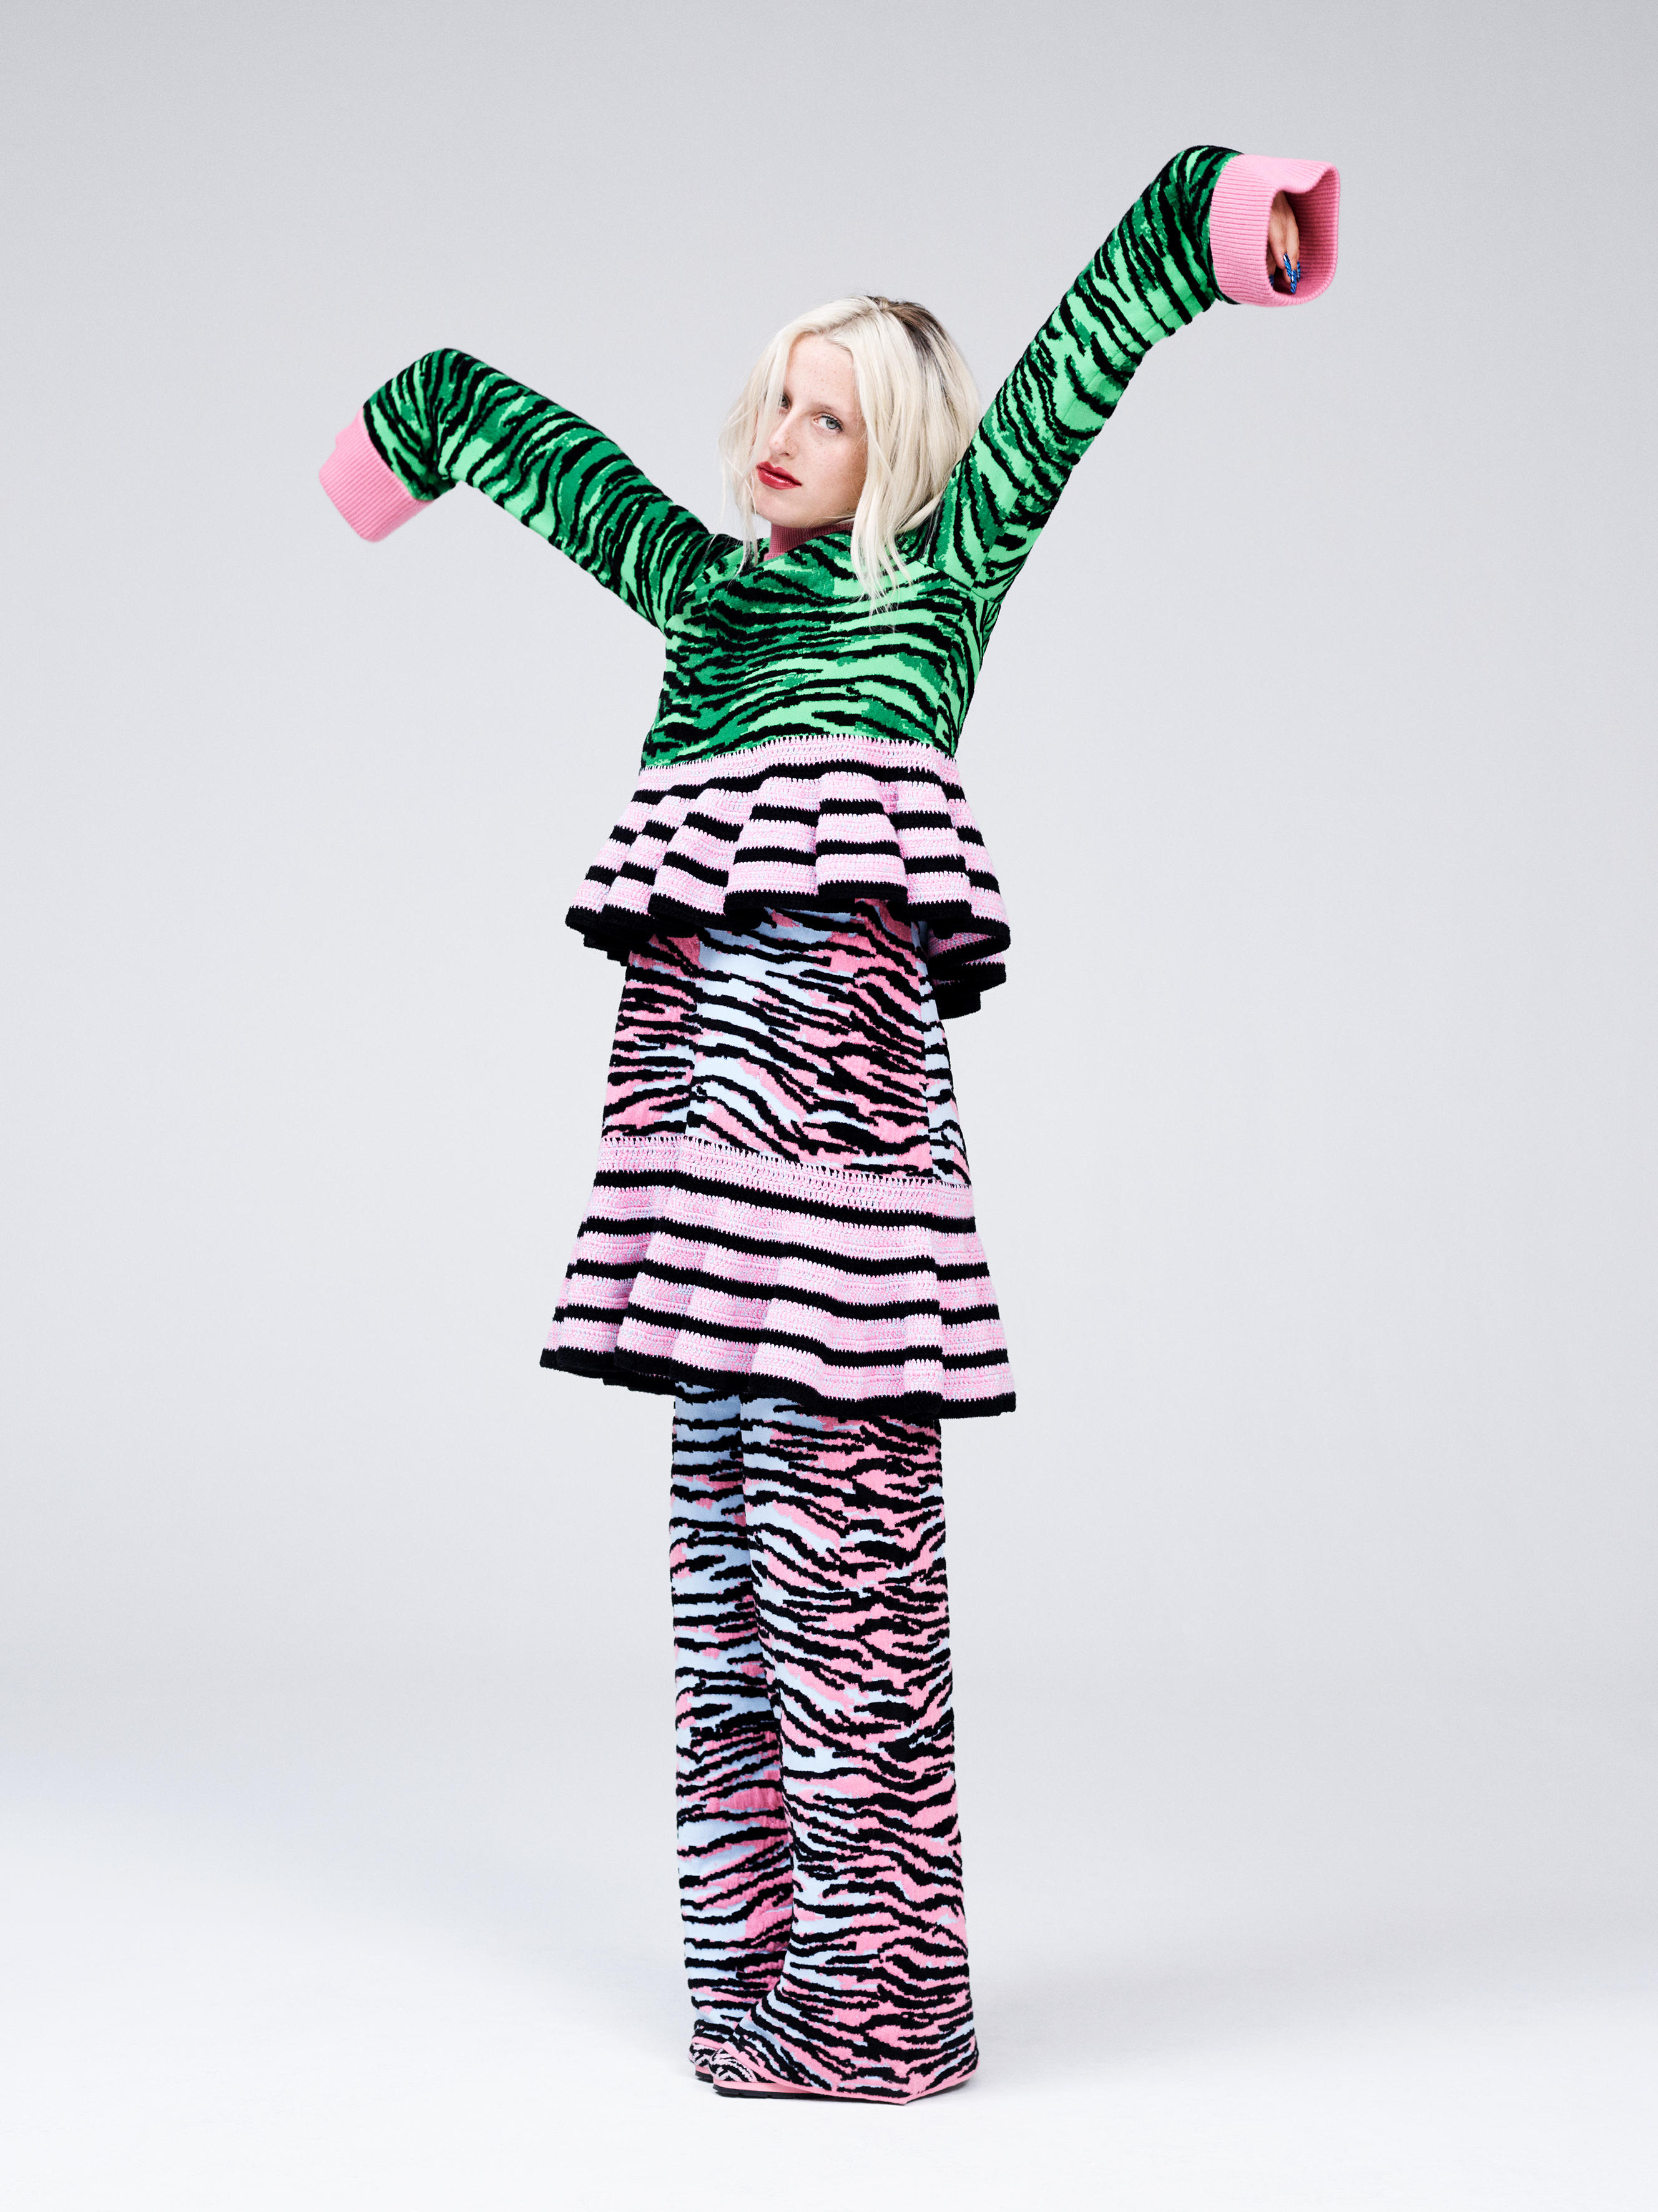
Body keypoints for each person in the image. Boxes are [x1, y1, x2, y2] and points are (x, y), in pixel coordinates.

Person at [319, 145, 1340, 2104]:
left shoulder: (935, 583)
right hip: (694, 1206)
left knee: (848, 1603)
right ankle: (753, 1993)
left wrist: (1236, 220)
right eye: (775, 402)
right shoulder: (707, 599)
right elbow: (522, 443)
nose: (780, 440)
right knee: (723, 1606)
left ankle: (882, 2011)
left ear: (902, 453)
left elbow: (1098, 332)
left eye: (829, 414)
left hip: (843, 1217)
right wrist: (393, 447)